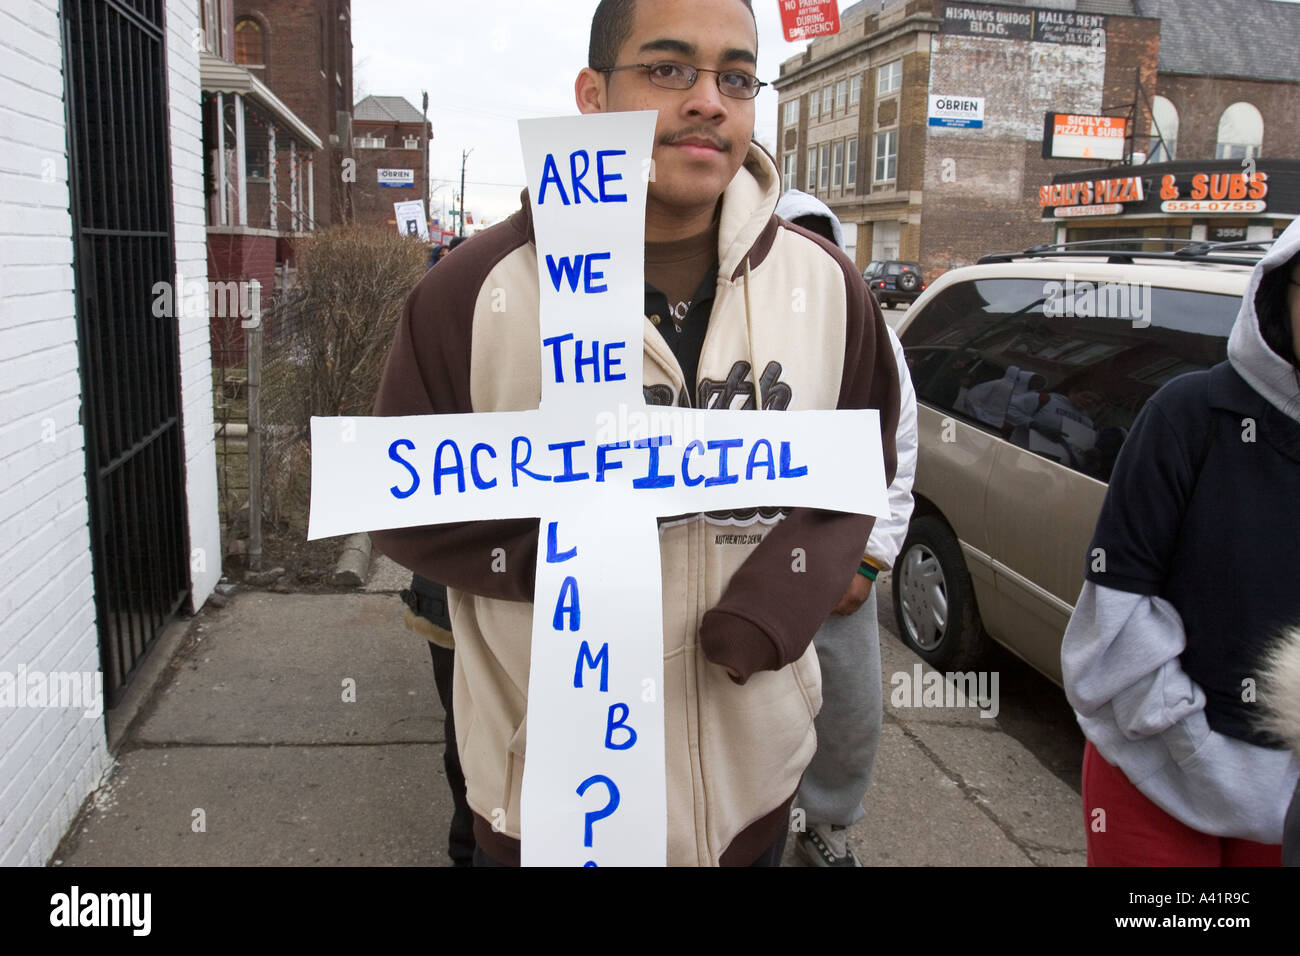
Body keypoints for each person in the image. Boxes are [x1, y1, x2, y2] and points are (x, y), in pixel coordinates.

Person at [369, 0, 899, 867]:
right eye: (668, 69)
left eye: (735, 76)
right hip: (553, 795)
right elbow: (402, 497)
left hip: (754, 785)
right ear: (592, 92)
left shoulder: (829, 287)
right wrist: (580, 553)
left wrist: (779, 602)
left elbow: (861, 460)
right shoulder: (472, 293)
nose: (708, 101)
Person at [1061, 218, 1300, 866]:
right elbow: (1111, 622)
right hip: (1155, 771)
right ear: (1282, 294)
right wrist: (1201, 752)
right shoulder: (1189, 416)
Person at [773, 189, 918, 867]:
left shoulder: (871, 334)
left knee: (849, 714)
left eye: (818, 241)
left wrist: (868, 559)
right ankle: (749, 827)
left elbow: (901, 446)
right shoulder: (737, 323)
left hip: (837, 554)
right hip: (745, 554)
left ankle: (825, 820)